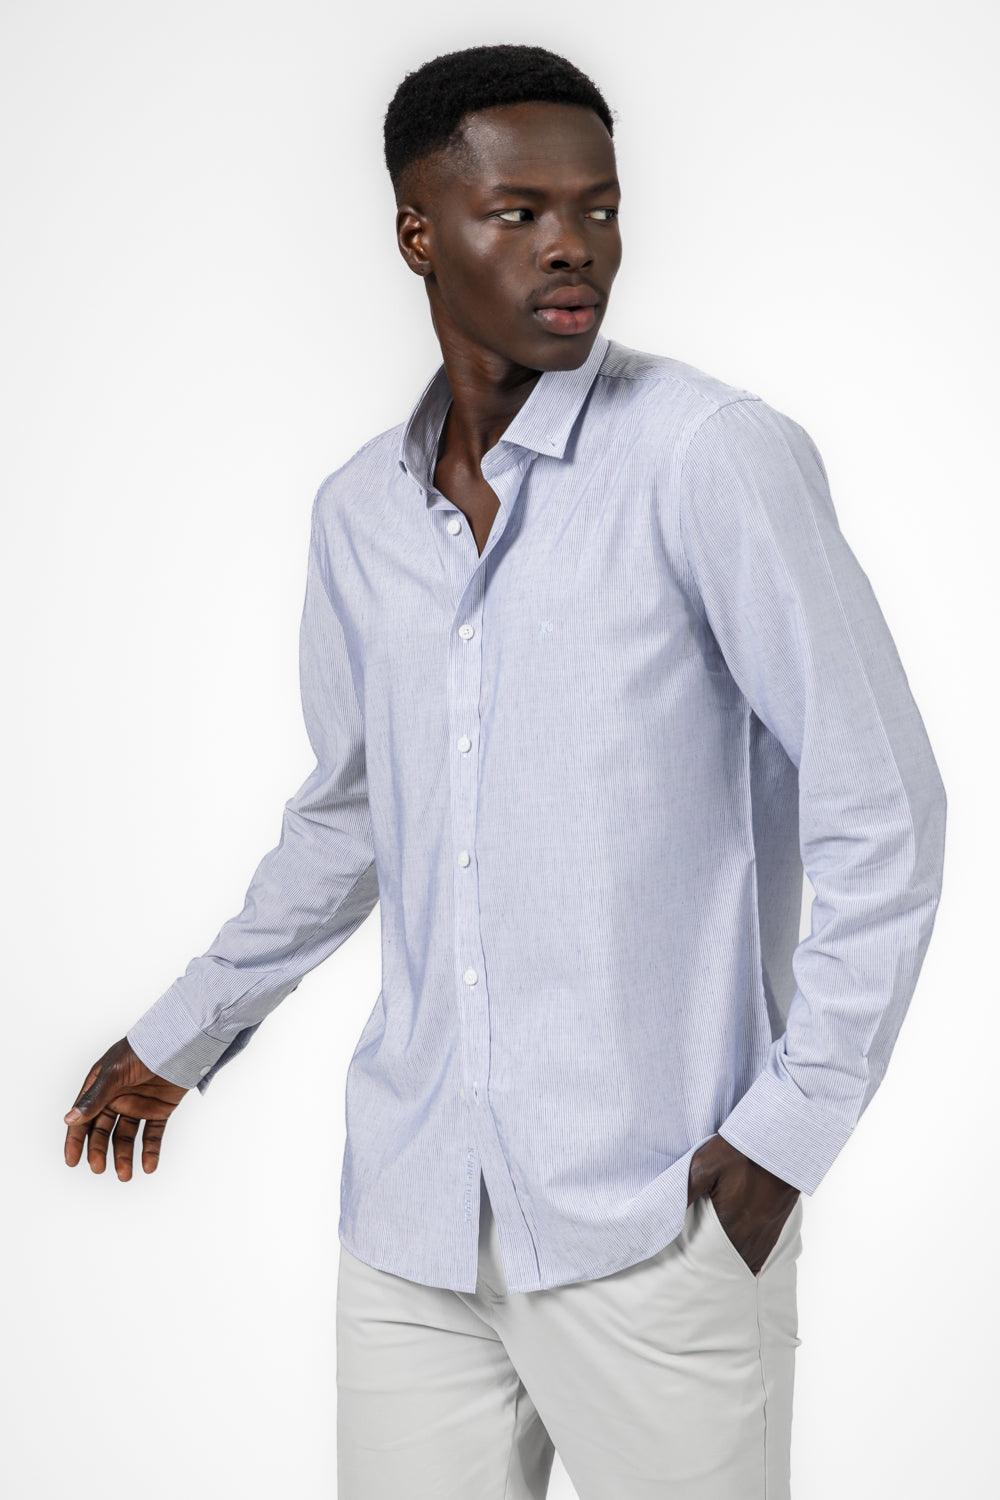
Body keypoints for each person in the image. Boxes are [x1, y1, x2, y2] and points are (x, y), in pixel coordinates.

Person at [63, 42, 947, 1500]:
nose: (572, 246)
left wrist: (789, 1133)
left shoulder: (711, 459)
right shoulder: (359, 513)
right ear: (420, 233)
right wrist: (184, 1033)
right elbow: (353, 818)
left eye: (598, 208)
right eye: (519, 212)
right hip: (414, 1226)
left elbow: (881, 805)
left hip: (658, 1219)